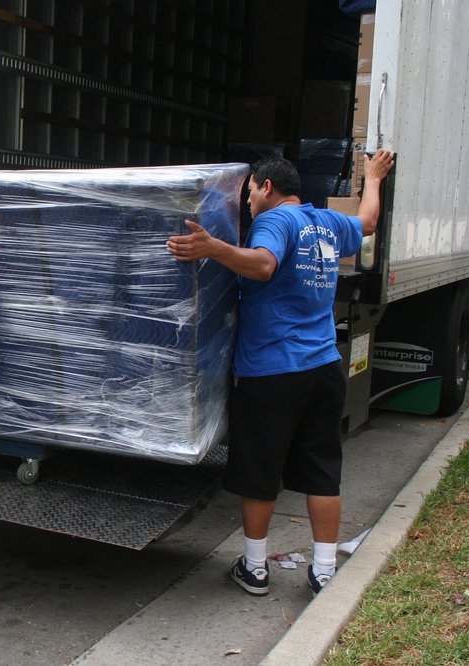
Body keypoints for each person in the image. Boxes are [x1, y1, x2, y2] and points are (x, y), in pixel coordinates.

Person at [166, 149, 395, 597]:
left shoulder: (274, 222)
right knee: (323, 468)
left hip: (272, 371)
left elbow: (265, 265)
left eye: (249, 192)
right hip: (324, 367)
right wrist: (373, 177)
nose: (247, 202)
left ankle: (254, 568)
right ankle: (324, 568)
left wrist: (213, 248)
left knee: (260, 469)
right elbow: (367, 221)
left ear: (267, 187)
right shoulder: (326, 224)